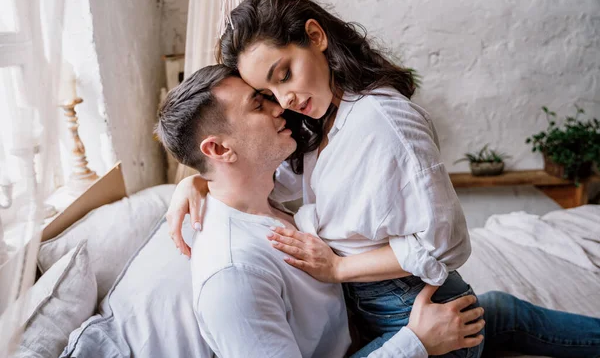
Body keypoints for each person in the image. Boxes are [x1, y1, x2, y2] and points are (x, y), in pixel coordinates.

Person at [167, 0, 600, 357]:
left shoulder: (381, 121)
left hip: (405, 302)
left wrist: (340, 271)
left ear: (315, 37)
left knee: (490, 316)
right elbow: (272, 179)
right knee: (501, 311)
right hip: (384, 306)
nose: (283, 101)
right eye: (264, 95)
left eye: (284, 76)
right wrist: (199, 179)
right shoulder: (325, 121)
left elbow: (446, 243)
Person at [155, 64, 485, 358]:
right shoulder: (232, 275)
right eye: (259, 104)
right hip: (390, 343)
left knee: (493, 309)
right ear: (219, 148)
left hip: (367, 332)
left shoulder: (262, 200)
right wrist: (416, 343)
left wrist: (197, 181)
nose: (279, 106)